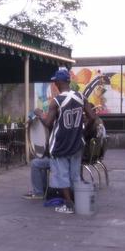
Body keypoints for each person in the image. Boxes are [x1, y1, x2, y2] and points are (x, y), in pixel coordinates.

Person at [36, 67, 95, 214]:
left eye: (55, 80)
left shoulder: (56, 101)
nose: (54, 82)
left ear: (58, 82)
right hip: (76, 144)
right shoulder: (81, 97)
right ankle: (78, 200)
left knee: (62, 175)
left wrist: (39, 115)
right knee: (75, 175)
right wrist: (83, 132)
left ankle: (68, 205)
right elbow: (93, 118)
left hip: (60, 145)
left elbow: (48, 123)